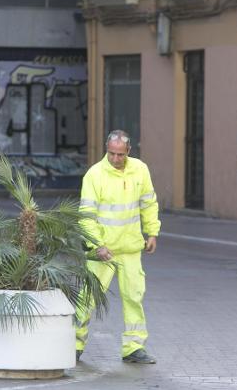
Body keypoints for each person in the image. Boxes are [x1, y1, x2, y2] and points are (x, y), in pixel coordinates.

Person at [75, 129, 161, 364]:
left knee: (134, 297)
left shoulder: (140, 170)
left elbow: (148, 203)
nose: (115, 159)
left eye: (120, 154)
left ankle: (133, 348)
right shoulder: (94, 175)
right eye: (111, 153)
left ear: (129, 152)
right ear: (106, 150)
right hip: (102, 251)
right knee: (88, 298)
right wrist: (97, 245)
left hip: (131, 248)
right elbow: (86, 216)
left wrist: (152, 232)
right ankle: (74, 343)